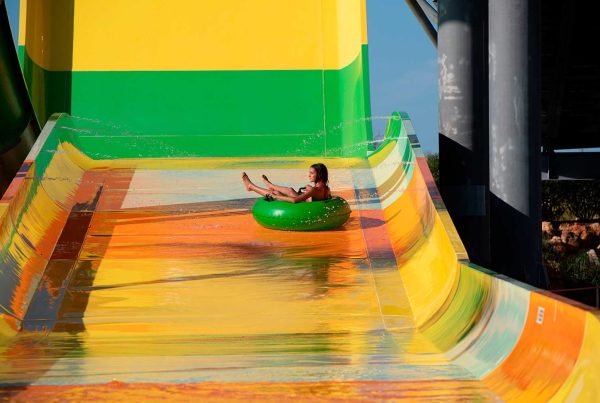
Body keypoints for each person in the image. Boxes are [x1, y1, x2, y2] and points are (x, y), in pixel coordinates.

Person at [242, 163, 331, 203]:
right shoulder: (327, 189)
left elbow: (294, 200)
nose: (309, 175)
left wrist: (275, 197)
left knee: (276, 193)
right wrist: (309, 193)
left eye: (311, 173)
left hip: (301, 206)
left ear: (319, 175)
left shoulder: (314, 190)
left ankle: (250, 186)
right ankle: (270, 185)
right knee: (290, 190)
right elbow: (321, 198)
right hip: (306, 202)